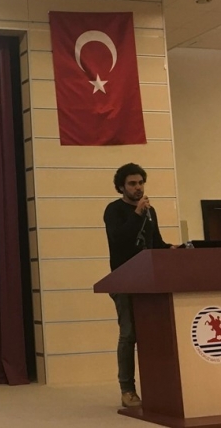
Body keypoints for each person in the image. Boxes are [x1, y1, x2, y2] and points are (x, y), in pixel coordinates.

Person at [103, 163, 177, 408]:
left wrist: (172, 249)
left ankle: (156, 387)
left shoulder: (149, 211)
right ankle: (127, 389)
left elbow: (155, 243)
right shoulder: (114, 210)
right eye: (132, 184)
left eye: (140, 183)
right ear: (121, 187)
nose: (138, 188)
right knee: (129, 334)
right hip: (123, 280)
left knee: (152, 333)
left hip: (149, 281)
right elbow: (119, 240)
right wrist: (136, 214)